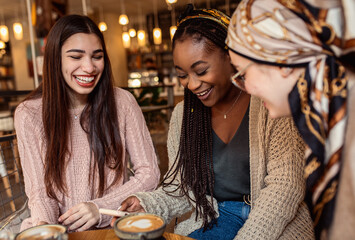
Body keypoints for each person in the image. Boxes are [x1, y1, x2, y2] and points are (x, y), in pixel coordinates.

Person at [116, 5, 314, 240]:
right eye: (182, 75)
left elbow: (285, 187)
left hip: (275, 218)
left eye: (201, 70)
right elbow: (181, 187)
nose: (191, 84)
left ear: (231, 57)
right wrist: (145, 203)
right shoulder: (184, 115)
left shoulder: (271, 104)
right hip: (218, 217)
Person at [14, 14, 160, 232]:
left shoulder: (122, 102)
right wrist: (48, 229)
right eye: (76, 57)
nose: (89, 67)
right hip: (59, 231)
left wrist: (99, 208)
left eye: (97, 56)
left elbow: (150, 173)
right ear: (56, 59)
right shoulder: (29, 114)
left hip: (112, 229)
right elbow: (40, 193)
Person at [226, 0, 355, 239]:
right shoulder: (324, 118)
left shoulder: (346, 129)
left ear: (281, 61)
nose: (246, 88)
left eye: (243, 73)